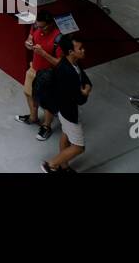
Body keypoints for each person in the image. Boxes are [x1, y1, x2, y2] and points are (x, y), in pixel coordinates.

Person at [43, 34, 90, 172]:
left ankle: (64, 166)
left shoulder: (71, 63)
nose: (83, 50)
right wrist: (86, 92)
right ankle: (51, 164)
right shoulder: (68, 73)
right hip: (69, 113)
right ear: (71, 52)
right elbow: (80, 99)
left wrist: (86, 87)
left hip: (63, 110)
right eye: (80, 48)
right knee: (78, 147)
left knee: (65, 135)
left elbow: (85, 79)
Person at [17, 10, 61, 141]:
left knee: (48, 102)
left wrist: (44, 54)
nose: (40, 28)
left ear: (51, 23)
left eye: (43, 26)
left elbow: (60, 63)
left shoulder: (58, 38)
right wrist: (28, 43)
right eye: (38, 25)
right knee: (28, 93)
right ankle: (33, 117)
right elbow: (30, 38)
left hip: (49, 75)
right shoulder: (36, 26)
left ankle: (46, 126)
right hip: (34, 69)